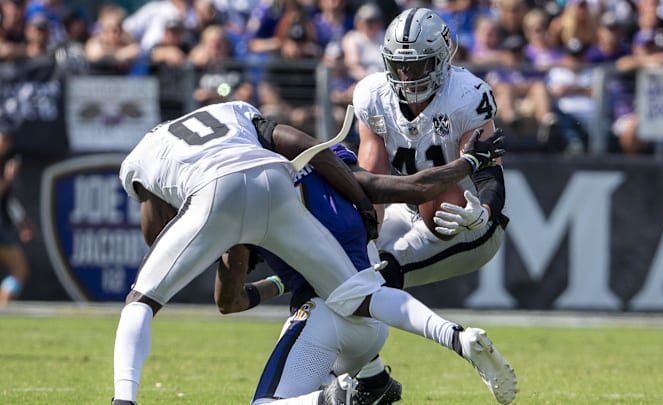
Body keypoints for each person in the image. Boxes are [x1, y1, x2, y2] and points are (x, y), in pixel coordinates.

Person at [111, 100, 517, 405]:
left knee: (140, 302)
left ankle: (123, 399)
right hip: (366, 316)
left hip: (316, 319)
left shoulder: (145, 158)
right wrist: (467, 163)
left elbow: (225, 298)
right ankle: (448, 338)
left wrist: (221, 252)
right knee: (361, 294)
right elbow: (394, 184)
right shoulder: (291, 162)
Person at [215, 127, 505, 404]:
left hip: (324, 321)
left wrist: (231, 239)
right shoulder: (330, 162)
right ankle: (376, 379)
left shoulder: (247, 195)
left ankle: (338, 398)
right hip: (372, 328)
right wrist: (469, 162)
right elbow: (415, 188)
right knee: (366, 284)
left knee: (269, 403)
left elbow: (228, 301)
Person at [352, 7, 512, 401]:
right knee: (347, 274)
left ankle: (372, 379)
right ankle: (369, 379)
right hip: (405, 208)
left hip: (462, 220)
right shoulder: (372, 95)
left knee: (375, 278)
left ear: (441, 60)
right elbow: (370, 183)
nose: (407, 76)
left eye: (418, 65)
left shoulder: (466, 96)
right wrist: (359, 241)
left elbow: (490, 174)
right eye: (400, 66)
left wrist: (484, 214)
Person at [0, 128, 32, 305]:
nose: (5, 144)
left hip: (4, 224)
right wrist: (7, 179)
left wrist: (22, 223)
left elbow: (10, 202)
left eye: (8, 140)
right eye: (3, 139)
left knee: (19, 270)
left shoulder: (5, 162)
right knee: (19, 269)